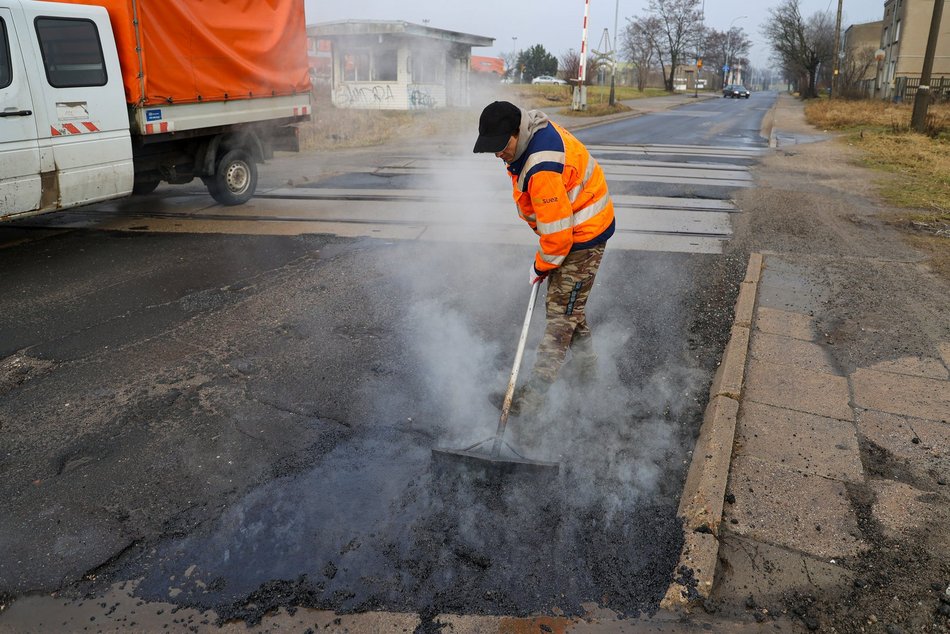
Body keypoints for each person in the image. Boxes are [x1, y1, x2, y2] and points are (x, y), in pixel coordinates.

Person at [473, 100, 615, 418]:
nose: (497, 154)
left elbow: (559, 237)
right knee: (570, 308)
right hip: (572, 229)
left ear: (516, 132)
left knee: (560, 319)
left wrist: (542, 264)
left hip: (583, 236)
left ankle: (531, 400)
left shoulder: (542, 165)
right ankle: (589, 377)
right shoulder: (527, 138)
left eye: (499, 146)